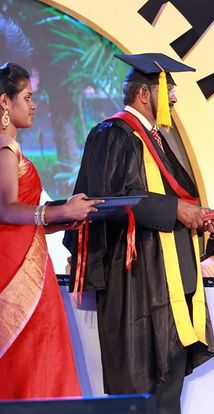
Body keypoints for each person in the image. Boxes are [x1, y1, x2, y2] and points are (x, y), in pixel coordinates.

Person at [63, 53, 214, 414]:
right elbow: (108, 197)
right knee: (140, 385)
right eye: (169, 90)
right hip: (136, 279)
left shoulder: (156, 139)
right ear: (144, 94)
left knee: (168, 388)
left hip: (169, 280)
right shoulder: (113, 134)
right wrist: (175, 210)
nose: (174, 98)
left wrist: (195, 216)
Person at [0, 62, 100, 399]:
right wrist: (61, 210)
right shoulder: (5, 148)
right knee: (28, 357)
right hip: (15, 270)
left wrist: (61, 220)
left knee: (36, 356)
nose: (34, 105)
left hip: (25, 259)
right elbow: (6, 210)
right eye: (27, 97)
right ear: (5, 102)